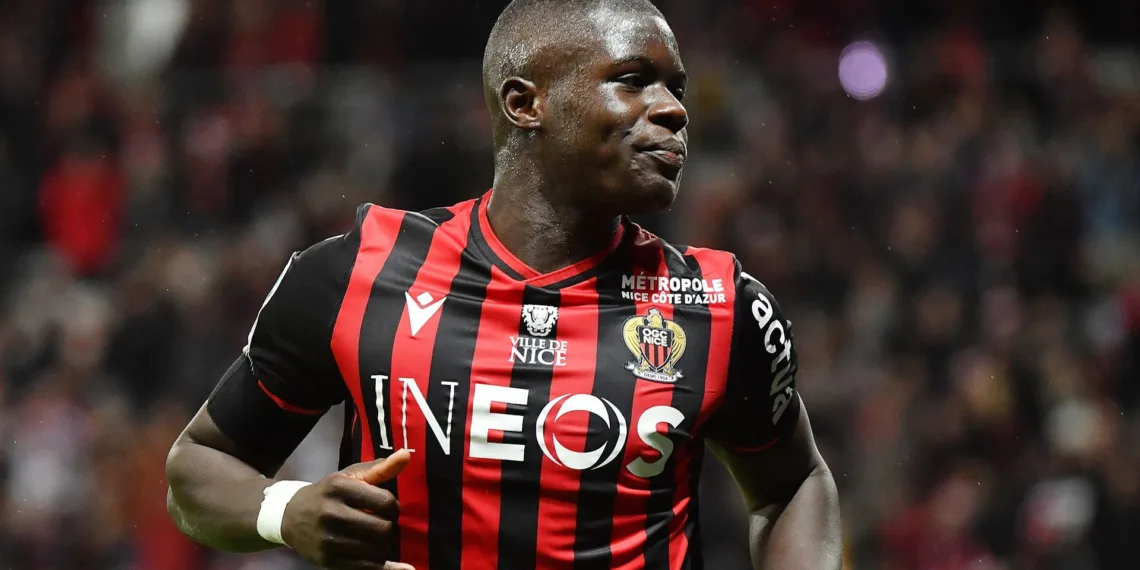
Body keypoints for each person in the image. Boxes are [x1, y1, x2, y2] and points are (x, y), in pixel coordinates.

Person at [164, 0, 842, 568]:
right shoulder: (357, 274)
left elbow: (795, 486)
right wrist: (286, 512)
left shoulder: (720, 305)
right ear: (525, 102)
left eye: (677, 89)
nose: (672, 111)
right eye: (634, 80)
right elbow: (198, 466)